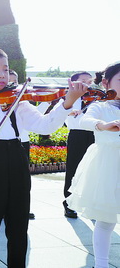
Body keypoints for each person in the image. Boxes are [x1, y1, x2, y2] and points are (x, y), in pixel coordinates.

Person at [0, 46, 88, 267]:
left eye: (5, 69)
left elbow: (45, 126)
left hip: (17, 159)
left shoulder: (19, 102)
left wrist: (67, 102)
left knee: (18, 223)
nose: (2, 75)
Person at [67, 61, 120, 268]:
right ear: (106, 83)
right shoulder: (100, 106)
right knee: (105, 220)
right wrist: (103, 125)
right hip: (108, 164)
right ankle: (101, 263)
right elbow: (84, 121)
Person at [62, 71, 94, 218]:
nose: (87, 83)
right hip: (77, 134)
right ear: (73, 83)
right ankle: (68, 202)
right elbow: (61, 113)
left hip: (94, 134)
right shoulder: (68, 97)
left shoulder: (96, 99)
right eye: (83, 80)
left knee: (93, 169)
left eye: (89, 81)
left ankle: (91, 203)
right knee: (73, 168)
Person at [8, 69, 36, 220]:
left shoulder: (24, 102)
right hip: (6, 144)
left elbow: (38, 119)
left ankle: (24, 208)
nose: (11, 85)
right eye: (8, 82)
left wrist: (50, 103)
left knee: (23, 179)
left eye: (14, 82)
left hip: (23, 143)